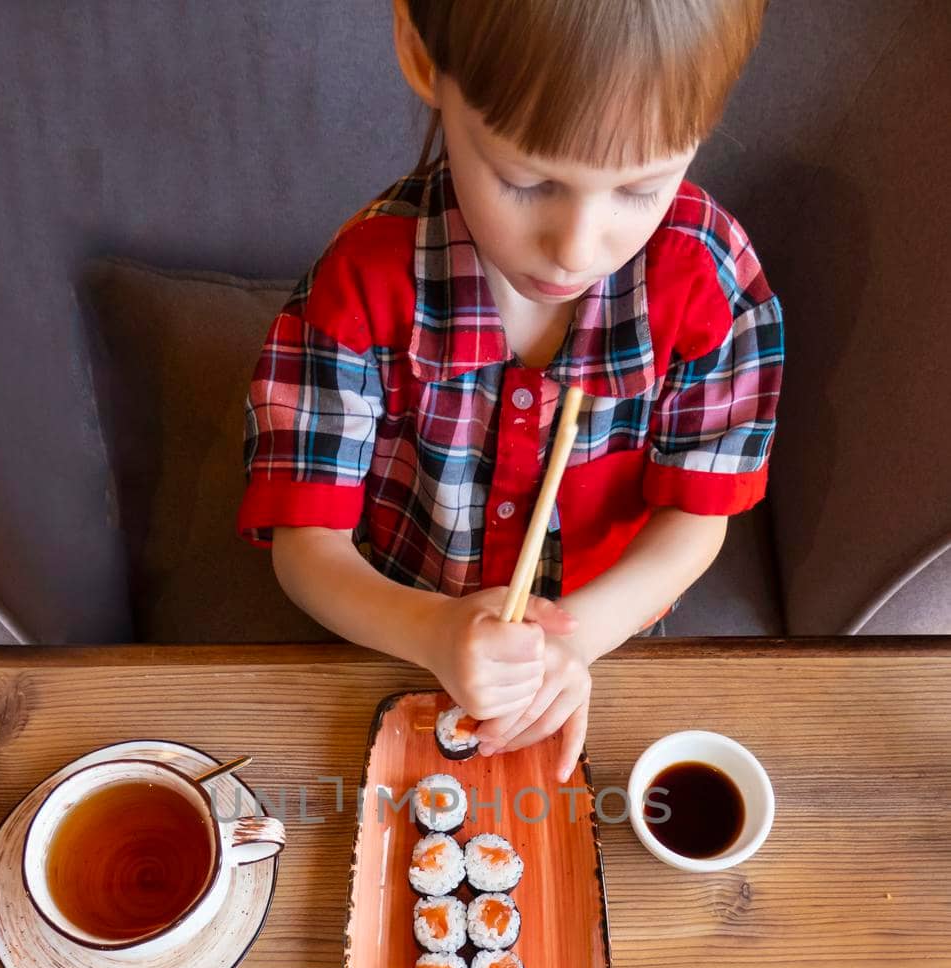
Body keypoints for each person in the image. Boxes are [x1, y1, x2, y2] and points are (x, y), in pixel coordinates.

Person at [239, 0, 782, 782]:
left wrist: (573, 641)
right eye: (527, 180)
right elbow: (305, 549)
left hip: (607, 628)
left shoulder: (709, 281)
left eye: (640, 188)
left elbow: (697, 520)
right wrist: (430, 631)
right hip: (393, 622)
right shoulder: (363, 280)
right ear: (425, 56)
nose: (575, 248)